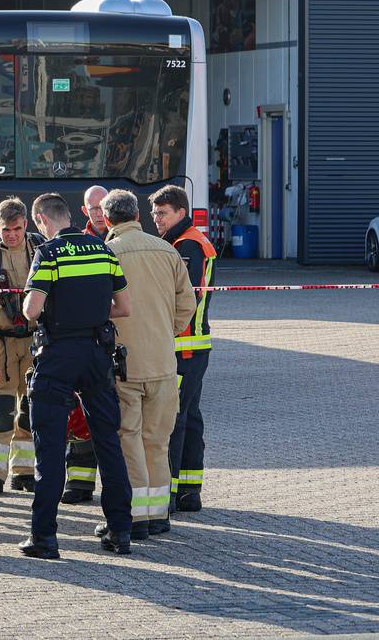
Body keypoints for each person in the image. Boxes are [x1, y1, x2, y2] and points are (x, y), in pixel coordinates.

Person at [19, 193, 135, 559]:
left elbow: (31, 311)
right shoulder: (103, 250)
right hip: (98, 354)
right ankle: (119, 531)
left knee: (50, 448)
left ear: (41, 220)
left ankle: (44, 538)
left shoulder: (48, 253)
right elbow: (124, 307)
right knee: (108, 442)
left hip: (58, 356)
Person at [101, 189, 197, 538]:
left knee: (129, 439)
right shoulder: (167, 251)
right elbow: (188, 305)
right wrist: (163, 331)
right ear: (138, 215)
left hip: (124, 364)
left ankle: (135, 518)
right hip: (163, 362)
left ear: (108, 219)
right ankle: (158, 516)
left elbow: (99, 305)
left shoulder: (108, 252)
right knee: (157, 440)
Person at [150, 184, 217, 513]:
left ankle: (170, 494)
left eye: (162, 213)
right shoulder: (183, 241)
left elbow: (179, 298)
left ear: (180, 211)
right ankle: (189, 491)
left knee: (172, 420)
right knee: (188, 418)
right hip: (192, 346)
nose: (156, 219)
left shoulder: (186, 244)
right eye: (153, 213)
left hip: (184, 347)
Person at [0, 197, 42, 495]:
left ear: (25, 225)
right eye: (6, 230)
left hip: (33, 341)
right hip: (0, 343)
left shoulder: (40, 248)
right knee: (0, 410)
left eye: (16, 228)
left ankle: (24, 472)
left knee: (29, 408)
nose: (11, 234)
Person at [63, 184, 110, 503]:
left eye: (104, 207)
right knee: (81, 413)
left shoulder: (123, 241)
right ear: (85, 212)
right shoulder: (78, 244)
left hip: (114, 341)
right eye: (94, 209)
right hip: (86, 340)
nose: (100, 213)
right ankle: (79, 483)